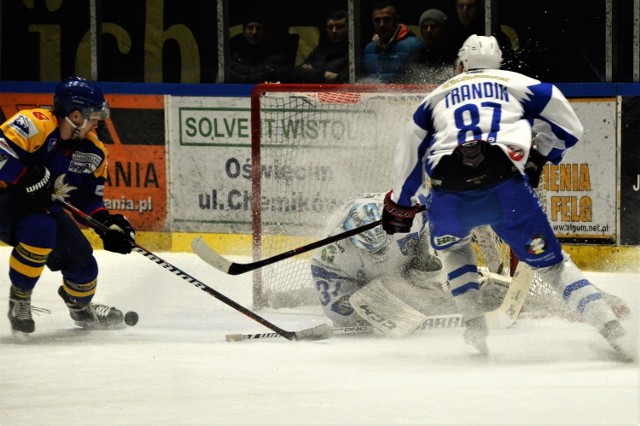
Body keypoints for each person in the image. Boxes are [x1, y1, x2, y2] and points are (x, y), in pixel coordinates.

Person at [380, 35, 633, 360]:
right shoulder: (522, 84)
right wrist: (539, 156)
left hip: (448, 193)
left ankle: (474, 329)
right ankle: (615, 333)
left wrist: (401, 204)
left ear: (460, 65)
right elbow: (571, 128)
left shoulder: (433, 98)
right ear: (498, 64)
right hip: (504, 189)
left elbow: (410, 152)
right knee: (553, 267)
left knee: (454, 250)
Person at [0, 76, 135, 338]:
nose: (98, 121)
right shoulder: (35, 123)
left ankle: (81, 308)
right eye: (94, 115)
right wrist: (24, 176)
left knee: (84, 266)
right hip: (5, 202)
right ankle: (20, 301)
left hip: (42, 210)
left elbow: (86, 200)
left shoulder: (94, 151)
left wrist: (106, 223)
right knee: (42, 229)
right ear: (75, 114)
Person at [360, 1, 424, 83]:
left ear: (396, 20)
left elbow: (418, 83)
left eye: (386, 19)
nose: (381, 24)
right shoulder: (369, 49)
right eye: (377, 20)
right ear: (372, 21)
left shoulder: (413, 46)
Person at [226, 10, 293, 84]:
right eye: (250, 28)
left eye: (259, 28)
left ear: (265, 33)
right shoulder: (230, 62)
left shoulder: (278, 62)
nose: (254, 32)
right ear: (244, 32)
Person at [398, 8, 458, 84]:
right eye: (425, 27)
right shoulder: (416, 58)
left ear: (443, 29)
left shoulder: (453, 56)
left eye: (433, 27)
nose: (428, 30)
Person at [291, 9, 349, 84]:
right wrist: (326, 75)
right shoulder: (321, 50)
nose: (334, 31)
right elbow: (298, 72)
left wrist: (312, 72)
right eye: (330, 27)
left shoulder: (352, 53)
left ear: (349, 28)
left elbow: (344, 81)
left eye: (339, 26)